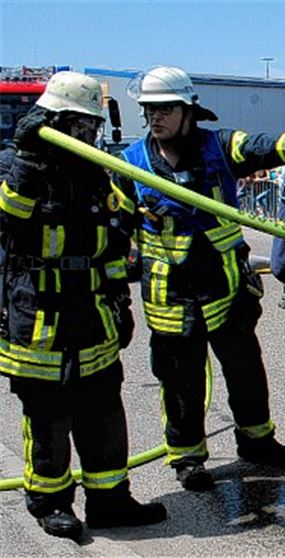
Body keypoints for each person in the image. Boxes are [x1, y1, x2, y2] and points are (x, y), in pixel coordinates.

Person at [119, 66, 285, 491]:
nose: (156, 117)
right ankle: (187, 458)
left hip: (226, 289)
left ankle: (257, 441)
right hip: (170, 297)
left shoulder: (220, 146)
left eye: (165, 108)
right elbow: (114, 230)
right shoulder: (131, 164)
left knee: (246, 371)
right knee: (180, 381)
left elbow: (267, 146)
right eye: (150, 109)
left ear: (188, 110)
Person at [0, 72, 166, 540]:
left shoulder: (93, 172)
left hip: (92, 311)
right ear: (54, 121)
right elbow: (10, 218)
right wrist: (31, 159)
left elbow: (112, 242)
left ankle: (110, 500)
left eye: (92, 126)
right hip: (38, 311)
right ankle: (50, 502)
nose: (88, 134)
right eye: (80, 125)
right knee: (48, 415)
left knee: (103, 410)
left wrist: (120, 300)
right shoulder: (15, 164)